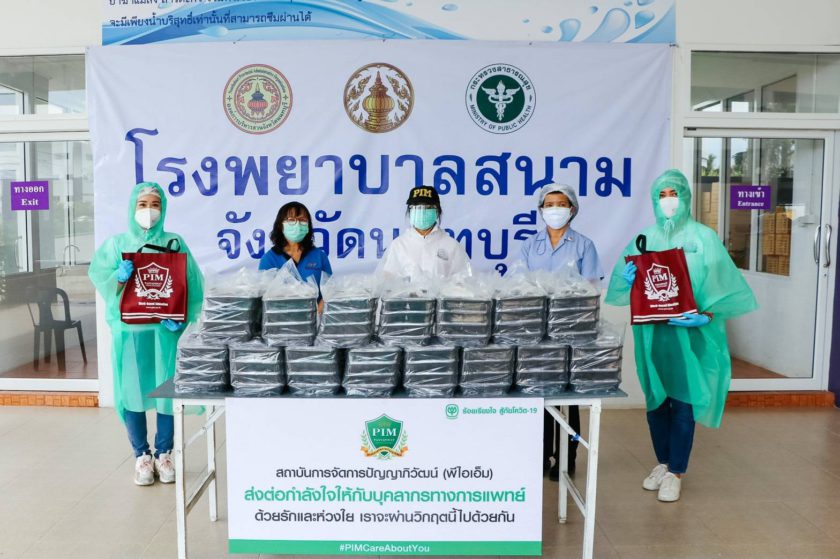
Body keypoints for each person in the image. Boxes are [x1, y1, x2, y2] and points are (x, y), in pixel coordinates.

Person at [605, 169, 757, 502]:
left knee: (684, 402)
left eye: (673, 194)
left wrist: (705, 316)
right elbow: (620, 286)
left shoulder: (704, 238)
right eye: (661, 195)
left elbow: (726, 288)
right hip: (653, 336)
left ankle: (676, 471)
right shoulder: (643, 238)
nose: (668, 201)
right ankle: (662, 462)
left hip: (692, 335)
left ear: (685, 197)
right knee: (656, 400)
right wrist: (627, 279)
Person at [89, 182, 204, 486]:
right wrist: (118, 277)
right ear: (132, 208)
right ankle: (142, 456)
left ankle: (164, 453)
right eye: (143, 204)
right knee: (133, 393)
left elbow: (193, 286)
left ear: (163, 209)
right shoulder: (118, 245)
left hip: (165, 333)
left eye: (155, 204)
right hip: (131, 333)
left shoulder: (175, 243)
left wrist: (182, 318)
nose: (149, 210)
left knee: (167, 393)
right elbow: (101, 278)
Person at [521, 183, 604, 481]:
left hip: (572, 328)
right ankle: (543, 454)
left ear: (572, 209)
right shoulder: (530, 245)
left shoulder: (584, 245)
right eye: (549, 204)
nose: (554, 209)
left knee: (568, 397)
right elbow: (522, 286)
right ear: (541, 209)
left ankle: (568, 457)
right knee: (540, 395)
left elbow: (591, 289)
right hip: (538, 329)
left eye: (561, 204)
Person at [379, 185, 471, 280]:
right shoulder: (398, 246)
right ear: (410, 211)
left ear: (437, 212)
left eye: (428, 207)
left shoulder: (452, 246)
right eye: (417, 207)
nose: (422, 211)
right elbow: (387, 282)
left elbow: (464, 282)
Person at [259, 201, 332, 308]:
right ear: (280, 225)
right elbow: (264, 297)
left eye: (302, 220)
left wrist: (319, 311)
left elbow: (330, 290)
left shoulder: (319, 256)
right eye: (291, 220)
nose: (297, 224)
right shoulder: (269, 259)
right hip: (279, 316)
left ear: (308, 226)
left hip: (315, 316)